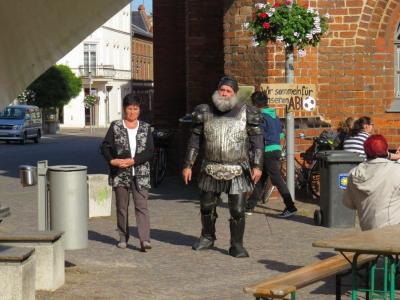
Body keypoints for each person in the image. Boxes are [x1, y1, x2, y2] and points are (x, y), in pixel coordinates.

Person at [182, 76, 263, 258]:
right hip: (210, 166)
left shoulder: (246, 112)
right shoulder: (204, 111)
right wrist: (188, 165)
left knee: (238, 210)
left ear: (234, 93)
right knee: (206, 206)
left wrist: (257, 166)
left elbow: (257, 142)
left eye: (228, 91)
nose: (224, 94)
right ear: (217, 90)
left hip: (237, 168)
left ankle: (236, 245)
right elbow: (194, 141)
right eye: (222, 90)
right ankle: (207, 237)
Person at [100, 94, 154, 251]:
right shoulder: (116, 126)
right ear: (124, 110)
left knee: (142, 206)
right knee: (122, 207)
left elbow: (150, 151)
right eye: (129, 108)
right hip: (120, 173)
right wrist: (112, 160)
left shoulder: (145, 127)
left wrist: (134, 160)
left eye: (135, 109)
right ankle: (123, 237)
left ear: (139, 110)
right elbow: (105, 146)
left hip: (141, 174)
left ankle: (145, 240)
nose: (132, 112)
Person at [245, 91, 297, 218]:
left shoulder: (261, 117)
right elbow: (280, 134)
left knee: (277, 179)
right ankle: (249, 207)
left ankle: (291, 207)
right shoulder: (274, 116)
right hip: (276, 149)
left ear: (255, 104)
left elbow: (258, 135)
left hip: (267, 150)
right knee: (262, 180)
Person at [343, 135, 400, 231]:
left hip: (367, 231)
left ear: (365, 151)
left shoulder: (353, 173)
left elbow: (349, 203)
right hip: (393, 232)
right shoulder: (396, 170)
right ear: (386, 150)